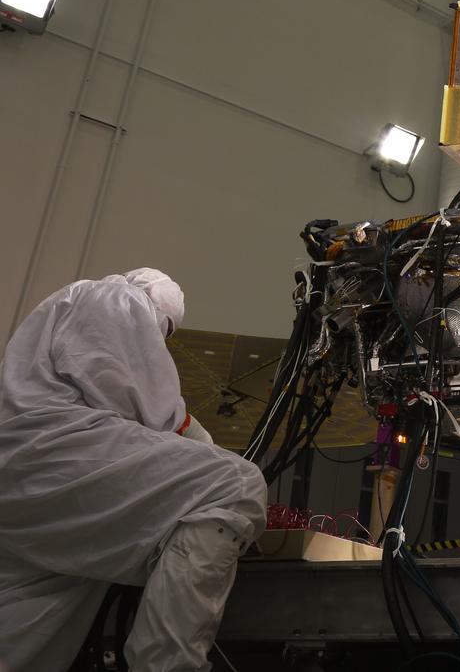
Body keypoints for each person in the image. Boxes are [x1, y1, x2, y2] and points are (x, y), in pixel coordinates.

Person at [0, 269, 268, 672]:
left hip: (25, 482)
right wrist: (204, 446)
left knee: (34, 610)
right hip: (58, 453)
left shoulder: (59, 307)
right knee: (235, 482)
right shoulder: (116, 298)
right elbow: (147, 408)